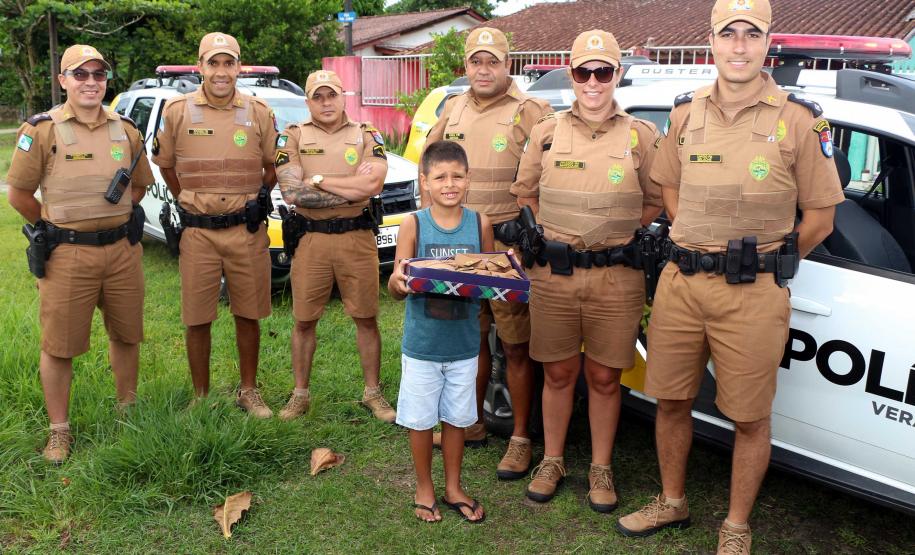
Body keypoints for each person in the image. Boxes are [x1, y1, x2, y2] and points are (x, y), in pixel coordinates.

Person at [616, 0, 843, 552]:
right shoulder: (686, 112)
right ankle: (673, 501)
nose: (739, 46)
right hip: (681, 284)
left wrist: (772, 262)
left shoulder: (798, 118)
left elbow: (821, 217)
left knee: (748, 417)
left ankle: (736, 525)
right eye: (729, 34)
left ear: (768, 42)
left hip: (753, 293)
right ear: (711, 41)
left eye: (751, 34)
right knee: (668, 400)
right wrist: (692, 233)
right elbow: (669, 186)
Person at [510, 30, 662, 511]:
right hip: (554, 275)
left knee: (603, 377)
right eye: (583, 72)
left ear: (618, 74)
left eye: (603, 71)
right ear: (571, 75)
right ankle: (552, 459)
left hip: (616, 277)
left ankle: (601, 468)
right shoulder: (547, 131)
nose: (593, 82)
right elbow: (526, 192)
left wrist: (610, 232)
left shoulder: (641, 136)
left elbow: (658, 200)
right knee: (557, 373)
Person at [6, 44, 154, 462]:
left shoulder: (125, 129)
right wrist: (55, 226)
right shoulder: (41, 130)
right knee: (59, 345)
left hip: (122, 250)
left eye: (98, 74)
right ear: (63, 80)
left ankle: (128, 412)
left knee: (127, 335)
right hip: (67, 255)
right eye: (80, 74)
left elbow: (139, 184)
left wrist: (116, 212)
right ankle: (59, 431)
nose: (91, 82)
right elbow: (18, 194)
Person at [422, 26, 552, 478]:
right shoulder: (453, 107)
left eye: (492, 61)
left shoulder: (529, 110)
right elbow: (433, 167)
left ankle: (519, 438)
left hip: (506, 250)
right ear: (467, 65)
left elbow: (547, 178)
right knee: (470, 340)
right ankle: (471, 422)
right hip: (461, 247)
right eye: (476, 61)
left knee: (515, 348)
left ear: (507, 65)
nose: (483, 69)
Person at [152, 32, 278, 417]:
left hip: (246, 230)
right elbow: (167, 166)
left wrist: (254, 198)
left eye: (229, 63)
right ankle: (201, 396)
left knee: (249, 311)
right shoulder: (177, 111)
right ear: (200, 66)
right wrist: (190, 200)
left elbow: (273, 167)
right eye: (213, 63)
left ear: (239, 66)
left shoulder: (259, 111)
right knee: (197, 316)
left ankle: (249, 390)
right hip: (198, 233)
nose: (221, 72)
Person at [273, 69, 396, 423]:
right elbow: (293, 192)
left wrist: (321, 180)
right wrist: (349, 188)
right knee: (303, 320)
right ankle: (300, 395)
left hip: (356, 239)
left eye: (332, 95)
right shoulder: (292, 136)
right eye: (318, 96)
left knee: (366, 317)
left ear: (344, 96)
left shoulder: (366, 133)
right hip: (310, 239)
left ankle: (373, 393)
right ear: (308, 101)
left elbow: (372, 185)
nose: (326, 102)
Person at [388, 140, 492, 523]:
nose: (449, 184)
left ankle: (453, 486)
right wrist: (399, 283)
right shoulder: (413, 224)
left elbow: (488, 277)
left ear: (469, 180)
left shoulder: (480, 224)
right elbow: (396, 282)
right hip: (422, 346)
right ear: (424, 182)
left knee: (457, 419)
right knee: (419, 420)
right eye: (440, 177)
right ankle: (424, 488)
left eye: (457, 176)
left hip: (464, 345)